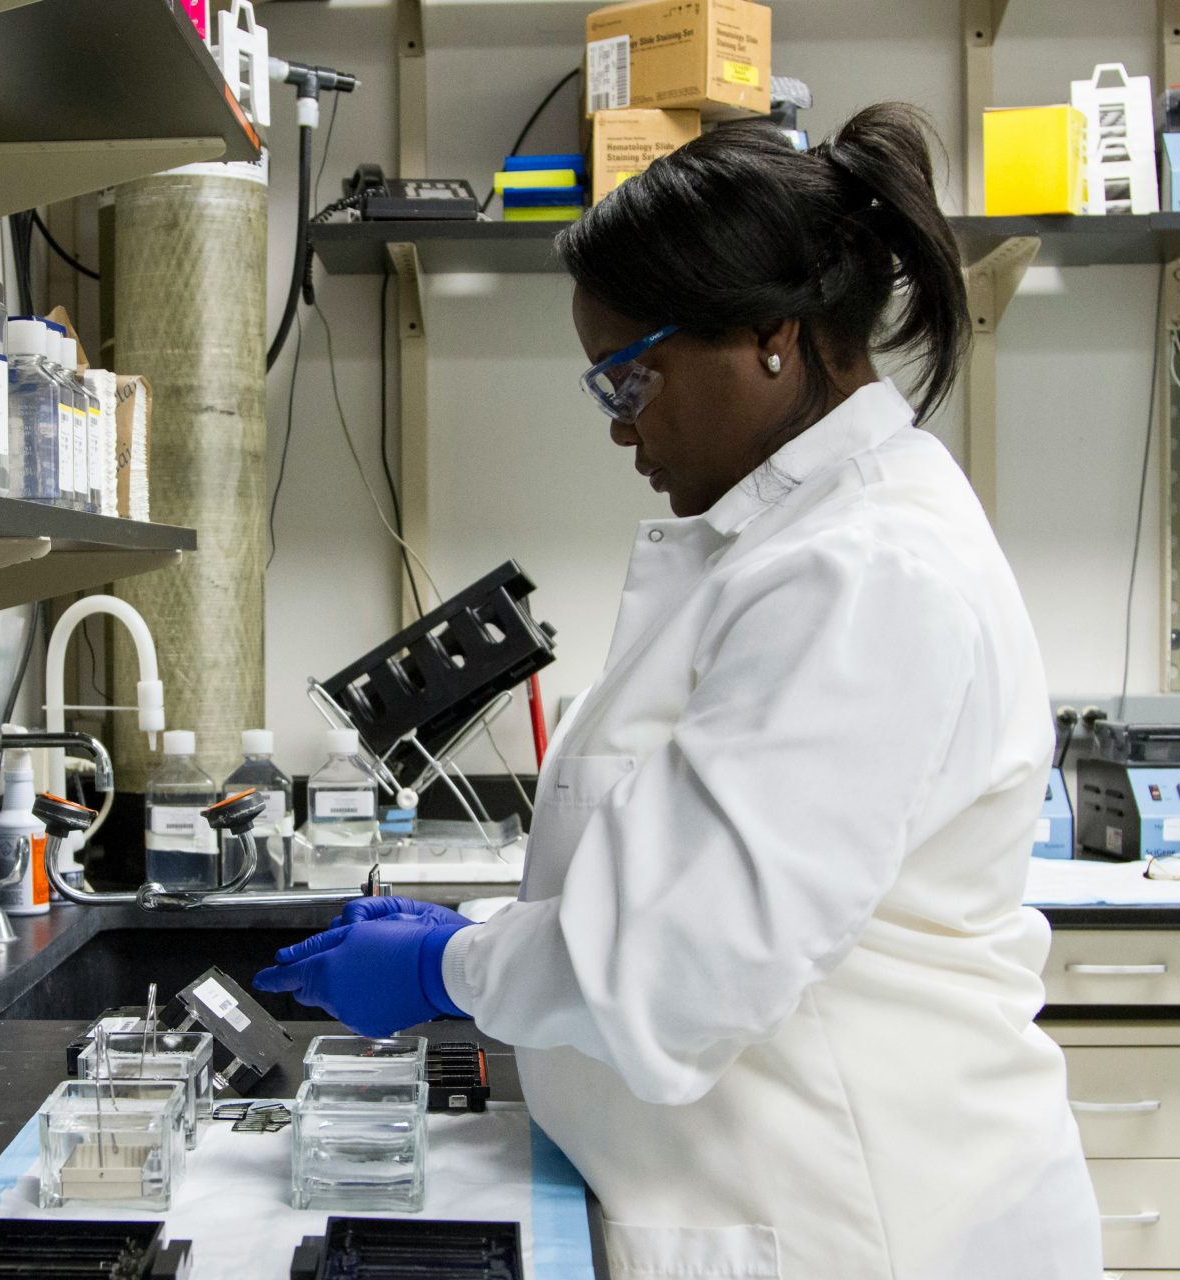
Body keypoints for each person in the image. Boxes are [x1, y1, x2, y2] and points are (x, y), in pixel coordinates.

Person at [253, 104, 1102, 1279]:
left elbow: (668, 972)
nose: (620, 428)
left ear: (770, 334)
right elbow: (684, 883)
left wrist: (450, 965)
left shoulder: (863, 573)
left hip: (864, 1219)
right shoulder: (791, 548)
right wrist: (488, 944)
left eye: (627, 378)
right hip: (771, 1187)